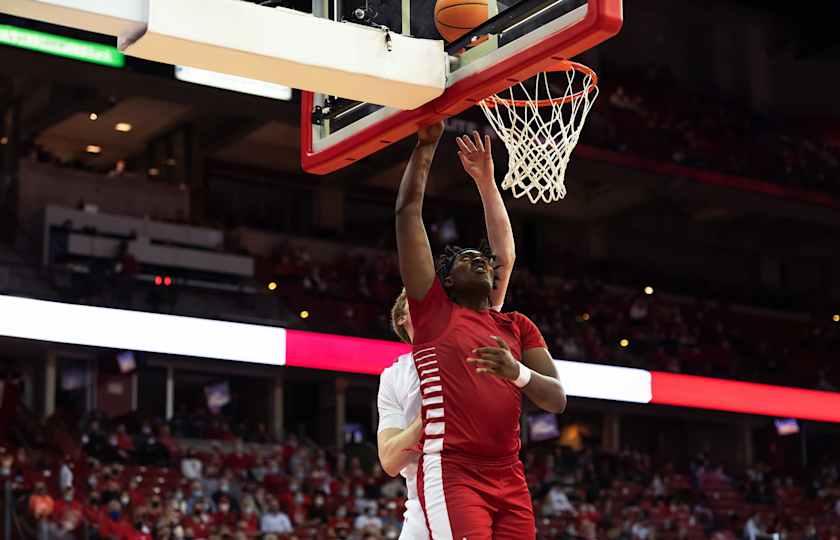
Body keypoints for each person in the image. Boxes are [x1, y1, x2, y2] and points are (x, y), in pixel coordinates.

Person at [393, 121, 566, 539]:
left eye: (485, 261)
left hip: (509, 473)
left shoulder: (514, 325)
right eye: (469, 258)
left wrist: (516, 373)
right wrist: (426, 146)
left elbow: (557, 399)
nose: (483, 261)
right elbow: (407, 213)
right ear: (445, 281)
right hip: (453, 468)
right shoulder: (435, 314)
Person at [378, 128, 516, 539]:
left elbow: (503, 258)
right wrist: (433, 417)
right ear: (405, 321)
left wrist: (487, 183)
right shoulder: (396, 376)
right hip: (424, 499)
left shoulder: (463, 327)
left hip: (480, 484)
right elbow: (388, 459)